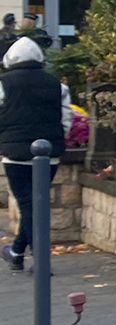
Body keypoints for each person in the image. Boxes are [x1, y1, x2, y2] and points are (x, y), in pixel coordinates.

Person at [0, 35, 71, 269]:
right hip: (49, 154)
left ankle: (40, 260)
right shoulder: (57, 85)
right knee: (35, 204)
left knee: (28, 204)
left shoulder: (3, 84)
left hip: (15, 155)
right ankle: (18, 251)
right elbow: (66, 119)